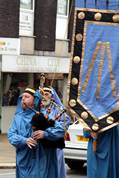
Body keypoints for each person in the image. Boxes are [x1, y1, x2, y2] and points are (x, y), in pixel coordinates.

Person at [7, 87, 65, 178]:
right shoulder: (18, 118)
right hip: (25, 160)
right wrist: (24, 140)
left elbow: (60, 131)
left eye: (27, 97)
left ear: (35, 100)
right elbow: (11, 135)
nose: (23, 99)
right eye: (22, 97)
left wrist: (45, 134)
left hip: (43, 160)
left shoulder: (44, 116)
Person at [39, 87, 71, 178]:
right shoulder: (39, 108)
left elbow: (65, 123)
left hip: (54, 144)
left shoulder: (58, 109)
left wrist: (50, 127)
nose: (44, 97)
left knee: (54, 168)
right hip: (41, 145)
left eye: (46, 94)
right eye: (42, 94)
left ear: (52, 97)